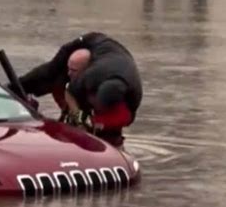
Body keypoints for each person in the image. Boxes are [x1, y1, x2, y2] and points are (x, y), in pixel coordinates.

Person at [9, 32, 142, 148]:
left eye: (73, 71)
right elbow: (69, 92)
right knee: (50, 73)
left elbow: (125, 119)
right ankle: (9, 90)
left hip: (110, 59)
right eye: (69, 70)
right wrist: (80, 120)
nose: (69, 74)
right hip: (91, 42)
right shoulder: (88, 76)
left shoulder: (127, 100)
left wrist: (89, 124)